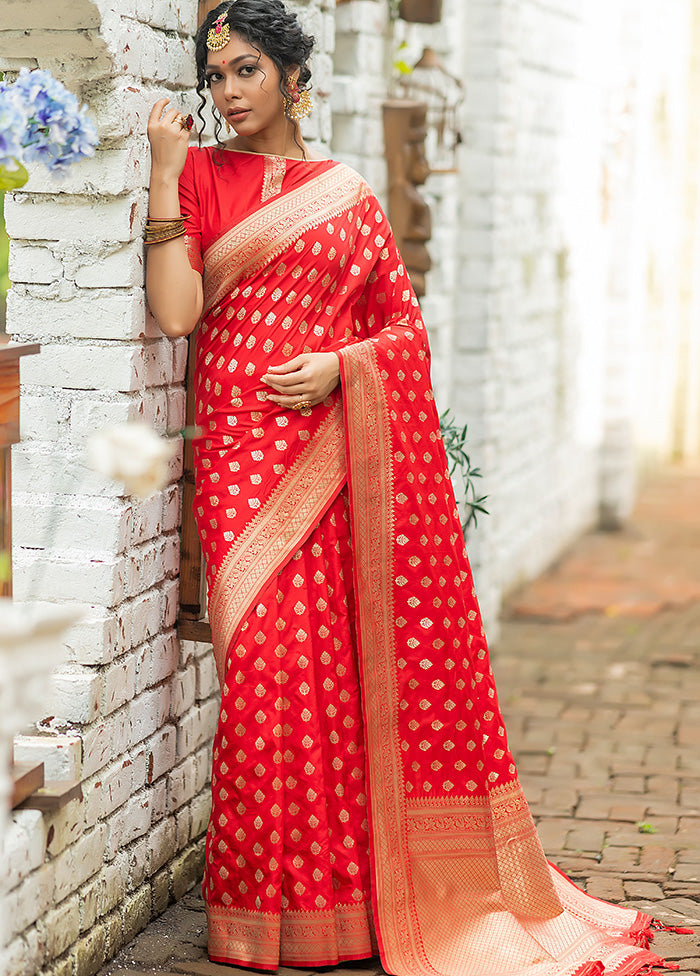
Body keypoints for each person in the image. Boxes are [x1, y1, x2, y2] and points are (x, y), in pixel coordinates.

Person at [145, 2, 678, 973]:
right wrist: (155, 166)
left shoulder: (348, 197)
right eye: (215, 74)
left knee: (322, 680)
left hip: (323, 454)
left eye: (247, 71)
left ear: (296, 77)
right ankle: (260, 914)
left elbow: (403, 334)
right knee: (264, 675)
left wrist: (338, 371)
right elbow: (179, 315)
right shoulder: (199, 176)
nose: (228, 93)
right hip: (237, 461)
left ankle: (337, 909)